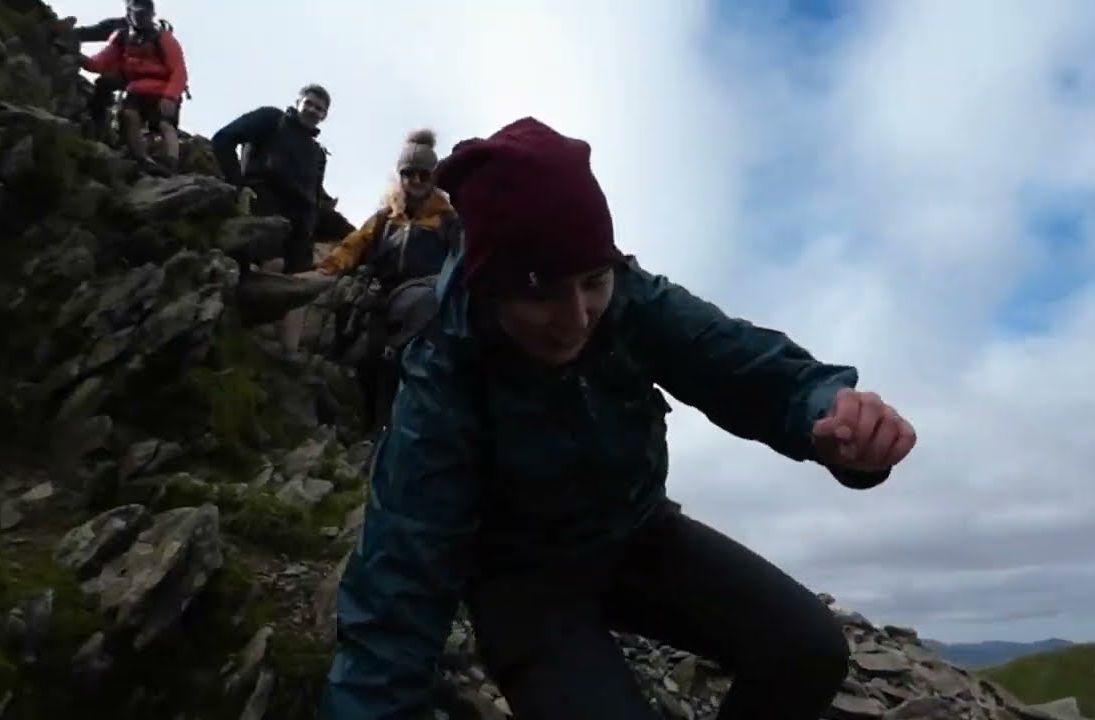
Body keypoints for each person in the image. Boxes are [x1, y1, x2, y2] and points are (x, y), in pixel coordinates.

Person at [321, 117, 919, 719]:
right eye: (540, 292)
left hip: (638, 535)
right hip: (526, 584)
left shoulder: (632, 301)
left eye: (592, 281)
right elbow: (396, 595)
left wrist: (831, 418)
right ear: (489, 286)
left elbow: (745, 367)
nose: (577, 317)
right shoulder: (443, 377)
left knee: (808, 650)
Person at [315, 128, 462, 429]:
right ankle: (374, 430)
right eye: (410, 174)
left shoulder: (447, 220)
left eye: (424, 174)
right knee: (369, 362)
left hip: (430, 296)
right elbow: (354, 245)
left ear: (434, 177)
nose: (416, 181)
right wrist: (327, 269)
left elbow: (463, 259)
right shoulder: (385, 218)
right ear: (401, 176)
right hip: (383, 297)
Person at [211, 83, 332, 355]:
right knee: (273, 262)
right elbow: (223, 139)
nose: (313, 110)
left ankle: (289, 355)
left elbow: (315, 194)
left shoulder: (317, 153)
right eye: (309, 103)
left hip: (302, 220)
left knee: (300, 283)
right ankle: (246, 336)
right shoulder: (270, 119)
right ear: (298, 101)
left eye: (320, 108)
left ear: (325, 116)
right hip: (266, 200)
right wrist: (238, 184)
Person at [79, 0, 187, 171]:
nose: (141, 18)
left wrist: (170, 97)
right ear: (130, 14)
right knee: (129, 115)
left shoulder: (163, 38)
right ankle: (141, 158)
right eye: (137, 14)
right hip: (136, 88)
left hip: (161, 89)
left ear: (152, 15)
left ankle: (170, 162)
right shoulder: (122, 38)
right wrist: (81, 59)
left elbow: (179, 71)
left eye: (144, 14)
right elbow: (100, 63)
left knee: (164, 124)